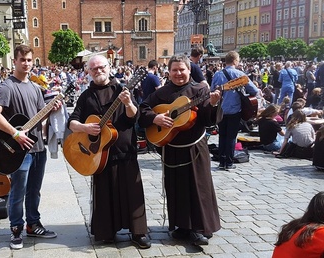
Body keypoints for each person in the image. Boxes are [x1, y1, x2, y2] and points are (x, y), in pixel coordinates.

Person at [67, 55, 151, 249]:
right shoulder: (86, 96)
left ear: (109, 67)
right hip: (99, 155)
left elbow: (134, 117)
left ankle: (138, 232)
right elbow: (72, 121)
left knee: (132, 192)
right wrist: (85, 128)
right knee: (105, 194)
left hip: (124, 150)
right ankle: (107, 231)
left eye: (101, 67)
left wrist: (129, 103)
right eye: (93, 68)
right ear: (88, 71)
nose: (98, 71)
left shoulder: (122, 89)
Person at [139, 54, 221, 246]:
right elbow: (142, 108)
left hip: (195, 148)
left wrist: (214, 103)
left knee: (198, 187)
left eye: (182, 69)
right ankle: (181, 226)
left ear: (189, 70)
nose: (178, 73)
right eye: (174, 70)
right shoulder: (162, 92)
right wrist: (155, 118)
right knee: (177, 188)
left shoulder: (200, 89)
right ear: (168, 72)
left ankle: (199, 228)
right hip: (172, 148)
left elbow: (208, 119)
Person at [0, 45, 61, 250]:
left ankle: (33, 224)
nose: (26, 64)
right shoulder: (7, 87)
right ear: (15, 61)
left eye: (29, 60)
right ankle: (16, 229)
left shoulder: (35, 88)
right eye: (23, 60)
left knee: (34, 191)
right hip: (18, 151)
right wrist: (15, 133)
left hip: (38, 146)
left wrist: (51, 110)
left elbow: (38, 117)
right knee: (18, 192)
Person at [211, 51, 259, 170]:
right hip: (235, 109)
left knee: (222, 135)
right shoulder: (240, 74)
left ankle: (221, 161)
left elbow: (212, 91)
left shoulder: (217, 74)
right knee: (232, 137)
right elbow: (254, 90)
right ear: (235, 61)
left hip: (221, 110)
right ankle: (229, 162)